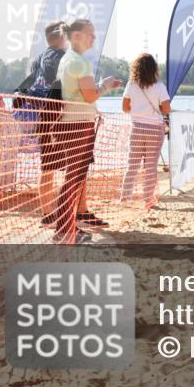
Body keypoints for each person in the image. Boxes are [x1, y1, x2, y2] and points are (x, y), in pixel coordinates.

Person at [52, 19, 122, 244]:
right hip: (77, 123)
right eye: (90, 34)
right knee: (73, 178)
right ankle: (64, 230)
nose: (94, 38)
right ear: (76, 36)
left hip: (71, 122)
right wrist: (106, 85)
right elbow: (90, 96)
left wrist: (99, 87)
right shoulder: (79, 62)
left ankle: (67, 227)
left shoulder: (68, 59)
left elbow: (82, 95)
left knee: (73, 178)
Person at [15, 21, 69, 222]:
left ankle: (48, 213)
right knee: (61, 168)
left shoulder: (40, 56)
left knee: (48, 168)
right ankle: (58, 212)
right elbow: (47, 75)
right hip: (56, 119)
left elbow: (24, 86)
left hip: (44, 119)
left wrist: (19, 98)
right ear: (62, 37)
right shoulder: (58, 56)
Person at [121, 53, 171, 209]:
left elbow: (124, 107)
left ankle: (125, 198)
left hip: (137, 127)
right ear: (154, 68)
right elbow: (166, 108)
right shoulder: (160, 86)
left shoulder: (131, 85)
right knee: (150, 166)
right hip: (155, 129)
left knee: (132, 165)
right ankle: (148, 199)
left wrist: (137, 111)